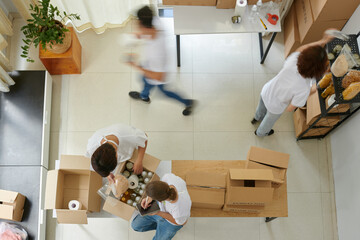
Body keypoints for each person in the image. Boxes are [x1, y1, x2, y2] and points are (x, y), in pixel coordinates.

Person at [251, 30, 334, 136]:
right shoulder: (304, 88)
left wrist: (323, 40)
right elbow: (291, 108)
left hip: (266, 91)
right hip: (275, 106)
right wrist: (322, 84)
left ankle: (256, 118)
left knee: (261, 108)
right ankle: (260, 133)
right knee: (268, 121)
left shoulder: (293, 60)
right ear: (318, 71)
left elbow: (302, 49)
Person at [127, 6, 195, 116]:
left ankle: (188, 103)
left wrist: (135, 65)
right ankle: (144, 97)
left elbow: (159, 77)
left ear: (144, 26)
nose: (136, 25)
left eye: (138, 24)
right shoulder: (154, 22)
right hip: (150, 65)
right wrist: (137, 36)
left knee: (164, 91)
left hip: (157, 74)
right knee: (144, 80)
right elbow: (147, 32)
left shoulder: (157, 53)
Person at [131, 173, 191, 240]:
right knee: (136, 226)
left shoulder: (179, 209)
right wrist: (149, 197)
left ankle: (162, 229)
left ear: (160, 200)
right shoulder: (168, 177)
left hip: (171, 222)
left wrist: (158, 213)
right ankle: (159, 227)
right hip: (160, 209)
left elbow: (178, 222)